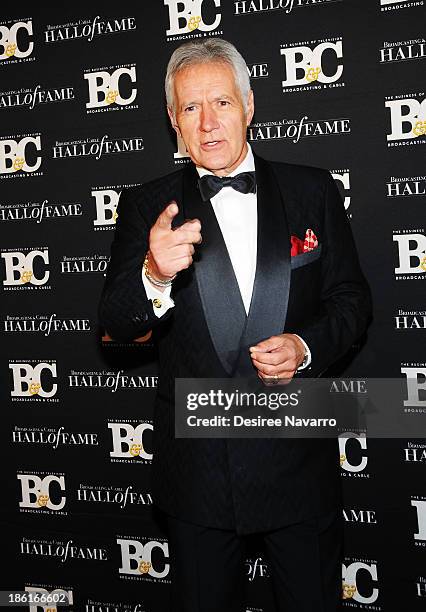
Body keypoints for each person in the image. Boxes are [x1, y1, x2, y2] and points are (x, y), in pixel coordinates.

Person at [99, 38, 371, 612]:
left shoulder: (312, 191)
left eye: (221, 103)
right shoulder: (146, 206)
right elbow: (116, 325)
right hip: (198, 475)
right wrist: (153, 273)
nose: (208, 124)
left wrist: (305, 346)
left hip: (299, 462)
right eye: (190, 109)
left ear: (250, 104)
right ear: (173, 120)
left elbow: (351, 301)